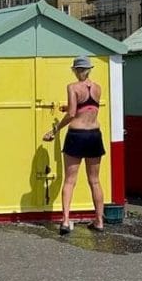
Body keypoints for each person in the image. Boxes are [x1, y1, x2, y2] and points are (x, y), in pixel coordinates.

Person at [42, 55, 106, 234]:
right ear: (89, 69)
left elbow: (72, 114)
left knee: (70, 181)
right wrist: (70, 108)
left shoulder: (72, 87)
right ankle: (99, 221)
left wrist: (54, 130)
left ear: (75, 70)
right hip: (94, 134)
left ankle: (65, 220)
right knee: (94, 180)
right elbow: (88, 108)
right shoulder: (97, 88)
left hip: (77, 134)